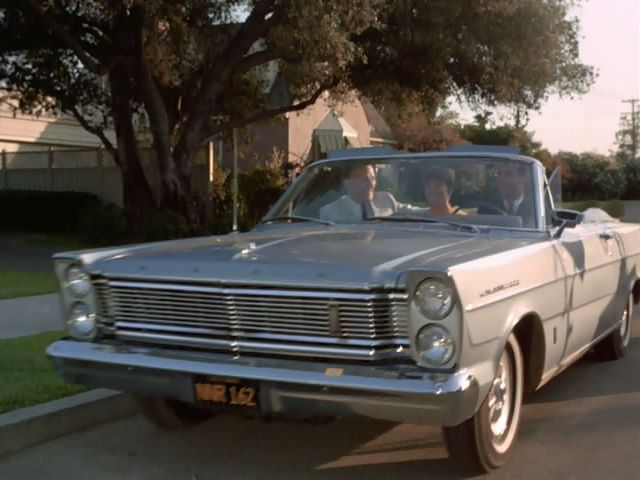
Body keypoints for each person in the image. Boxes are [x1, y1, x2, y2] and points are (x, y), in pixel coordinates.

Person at [319, 163, 415, 223]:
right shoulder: (330, 213)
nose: (371, 184)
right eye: (364, 179)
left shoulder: (386, 199)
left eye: (372, 178)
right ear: (347, 183)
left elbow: (418, 212)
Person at [478, 161, 535, 227]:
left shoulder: (536, 210)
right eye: (498, 174)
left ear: (524, 178)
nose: (501, 180)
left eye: (508, 174)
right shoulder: (486, 209)